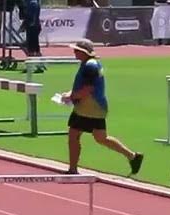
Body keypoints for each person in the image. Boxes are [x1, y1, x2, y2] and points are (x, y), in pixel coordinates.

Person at [59, 39, 143, 176]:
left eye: (76, 50)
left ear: (83, 52)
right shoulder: (89, 64)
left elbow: (88, 88)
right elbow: (83, 86)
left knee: (76, 136)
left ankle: (73, 170)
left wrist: (72, 97)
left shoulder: (90, 66)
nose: (74, 52)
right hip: (90, 107)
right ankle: (132, 156)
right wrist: (71, 93)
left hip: (90, 107)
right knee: (99, 138)